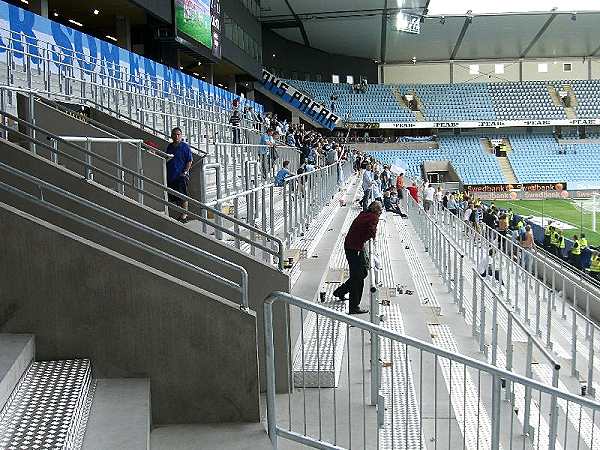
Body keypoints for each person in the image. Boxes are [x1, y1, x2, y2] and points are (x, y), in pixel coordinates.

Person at [333, 201, 382, 314]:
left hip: (352, 246)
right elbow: (371, 231)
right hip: (354, 248)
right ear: (377, 211)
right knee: (358, 278)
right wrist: (373, 238)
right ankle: (354, 306)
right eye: (380, 211)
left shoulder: (364, 214)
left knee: (362, 273)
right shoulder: (373, 217)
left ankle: (340, 291)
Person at [165, 127, 193, 223]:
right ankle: (180, 214)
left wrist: (185, 172)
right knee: (174, 197)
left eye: (178, 134)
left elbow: (189, 161)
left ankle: (184, 216)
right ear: (172, 136)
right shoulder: (170, 147)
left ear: (181, 136)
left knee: (183, 196)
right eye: (174, 134)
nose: (176, 136)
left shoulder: (185, 147)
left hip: (181, 176)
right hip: (171, 175)